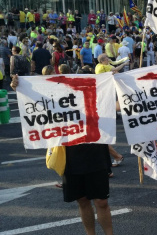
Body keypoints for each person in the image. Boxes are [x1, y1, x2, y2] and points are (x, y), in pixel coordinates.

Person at [10, 74, 114, 235]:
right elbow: (38, 102)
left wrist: (117, 81)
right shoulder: (55, 100)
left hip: (96, 154)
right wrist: (19, 87)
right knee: (83, 200)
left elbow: (115, 104)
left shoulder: (94, 93)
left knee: (101, 201)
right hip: (70, 157)